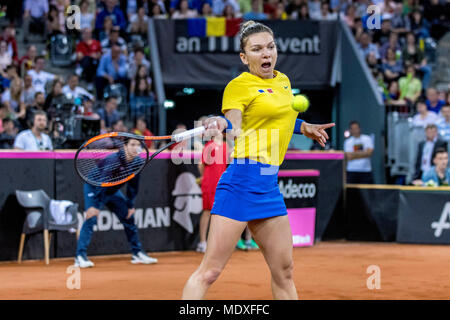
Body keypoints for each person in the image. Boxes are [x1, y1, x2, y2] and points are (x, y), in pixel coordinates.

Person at [181, 20, 334, 300]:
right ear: (244, 57)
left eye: (270, 47)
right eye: (257, 49)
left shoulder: (284, 81)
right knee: (210, 271)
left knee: (284, 271)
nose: (266, 54)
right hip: (241, 182)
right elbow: (235, 121)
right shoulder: (238, 86)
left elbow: (278, 117)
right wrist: (223, 123)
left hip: (268, 186)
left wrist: (304, 127)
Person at [74, 137, 158, 268]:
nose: (135, 147)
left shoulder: (137, 162)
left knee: (129, 217)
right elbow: (102, 184)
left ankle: (137, 254)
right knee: (91, 218)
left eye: (138, 145)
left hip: (111, 191)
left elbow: (133, 186)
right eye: (132, 144)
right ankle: (80, 256)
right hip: (95, 187)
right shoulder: (113, 160)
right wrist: (95, 205)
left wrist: (130, 205)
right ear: (125, 147)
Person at [196, 134, 229, 253]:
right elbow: (201, 164)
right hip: (209, 184)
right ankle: (202, 242)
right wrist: (204, 177)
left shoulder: (225, 146)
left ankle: (217, 243)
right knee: (207, 212)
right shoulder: (209, 146)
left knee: (220, 214)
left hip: (221, 184)